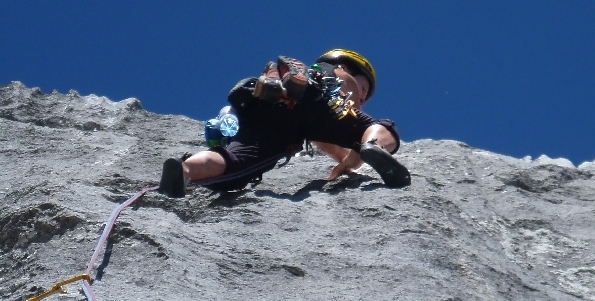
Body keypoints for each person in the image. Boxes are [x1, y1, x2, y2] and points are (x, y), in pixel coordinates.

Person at [158, 49, 411, 197]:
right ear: (343, 66)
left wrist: (344, 163)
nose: (363, 99)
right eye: (365, 89)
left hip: (274, 122)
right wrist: (360, 151)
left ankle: (185, 170)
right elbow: (347, 95)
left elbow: (326, 141)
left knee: (236, 168)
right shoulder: (339, 74)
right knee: (384, 127)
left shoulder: (324, 127)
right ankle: (376, 143)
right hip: (320, 99)